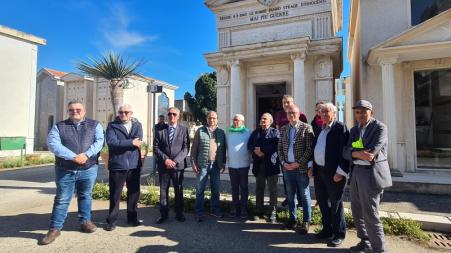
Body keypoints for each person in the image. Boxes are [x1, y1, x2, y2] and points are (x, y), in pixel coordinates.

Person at [41, 100, 104, 245]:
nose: (75, 112)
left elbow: (99, 141)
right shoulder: (59, 126)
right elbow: (53, 144)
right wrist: (74, 156)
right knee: (62, 199)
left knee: (85, 195)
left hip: (88, 168)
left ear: (84, 111)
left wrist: (86, 155)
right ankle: (55, 229)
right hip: (65, 169)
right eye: (71, 110)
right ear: (68, 111)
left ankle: (85, 222)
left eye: (78, 109)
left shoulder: (95, 125)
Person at [343, 100, 392, 253]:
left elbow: (371, 152)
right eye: (357, 112)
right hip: (357, 172)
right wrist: (356, 153)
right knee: (357, 210)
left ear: (371, 112)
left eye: (364, 111)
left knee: (370, 213)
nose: (360, 115)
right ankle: (366, 242)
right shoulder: (354, 130)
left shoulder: (380, 127)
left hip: (372, 174)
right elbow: (345, 151)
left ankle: (380, 249)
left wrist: (354, 152)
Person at [308, 102, 349, 247]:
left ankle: (339, 233)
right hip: (319, 172)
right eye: (322, 112)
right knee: (323, 203)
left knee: (336, 204)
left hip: (334, 173)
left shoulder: (340, 128)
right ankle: (327, 229)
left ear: (334, 113)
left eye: (327, 112)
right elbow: (315, 148)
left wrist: (341, 171)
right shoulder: (320, 128)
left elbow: (346, 151)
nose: (324, 115)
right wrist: (311, 165)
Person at [105, 104, 144, 231]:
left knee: (133, 193)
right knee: (115, 194)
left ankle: (132, 218)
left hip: (134, 165)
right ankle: (111, 220)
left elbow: (138, 142)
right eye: (121, 112)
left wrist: (127, 144)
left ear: (131, 113)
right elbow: (112, 143)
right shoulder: (112, 125)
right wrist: (131, 142)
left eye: (126, 112)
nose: (123, 114)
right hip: (117, 165)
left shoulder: (137, 125)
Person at [277, 104, 314, 233]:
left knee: (304, 195)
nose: (291, 115)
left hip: (301, 168)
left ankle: (306, 221)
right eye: (289, 113)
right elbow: (280, 148)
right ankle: (292, 219)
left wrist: (298, 163)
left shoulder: (307, 128)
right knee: (291, 195)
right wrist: (283, 162)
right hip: (287, 168)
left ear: (299, 114)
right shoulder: (283, 129)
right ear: (286, 115)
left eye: (294, 113)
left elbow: (310, 149)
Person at [153, 107, 190, 224]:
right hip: (164, 165)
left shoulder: (184, 130)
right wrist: (166, 160)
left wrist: (175, 161)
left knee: (178, 190)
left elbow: (186, 148)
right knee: (163, 190)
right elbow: (155, 147)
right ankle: (164, 214)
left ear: (178, 116)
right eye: (169, 114)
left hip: (178, 166)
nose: (171, 116)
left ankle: (179, 213)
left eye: (174, 114)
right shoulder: (160, 130)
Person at [191, 111, 226, 222]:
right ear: (207, 119)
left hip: (216, 165)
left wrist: (223, 162)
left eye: (214, 118)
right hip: (203, 165)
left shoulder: (221, 132)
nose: (212, 120)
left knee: (215, 190)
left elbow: (223, 149)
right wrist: (193, 163)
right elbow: (194, 149)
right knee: (200, 190)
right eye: (210, 118)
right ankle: (199, 213)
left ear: (217, 120)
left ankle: (215, 210)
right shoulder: (200, 131)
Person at [275, 95, 307, 207]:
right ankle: (289, 197)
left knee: (299, 178)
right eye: (284, 103)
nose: (286, 104)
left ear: (293, 102)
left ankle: (300, 199)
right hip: (285, 150)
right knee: (286, 177)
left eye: (288, 102)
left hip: (298, 153)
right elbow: (278, 129)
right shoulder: (279, 114)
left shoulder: (301, 115)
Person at [247, 113, 280, 223]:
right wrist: (255, 150)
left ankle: (272, 212)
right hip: (259, 165)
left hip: (271, 166)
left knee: (273, 190)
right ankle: (258, 211)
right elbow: (249, 145)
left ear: (270, 121)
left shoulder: (275, 132)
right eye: (261, 118)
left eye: (265, 119)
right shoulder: (255, 133)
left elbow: (277, 147)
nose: (262, 120)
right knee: (259, 189)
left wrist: (263, 152)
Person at [226, 114, 251, 219]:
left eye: (237, 120)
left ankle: (244, 209)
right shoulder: (228, 132)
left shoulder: (247, 132)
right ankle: (235, 208)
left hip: (244, 165)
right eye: (234, 120)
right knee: (234, 188)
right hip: (232, 165)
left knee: (244, 188)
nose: (235, 122)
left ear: (242, 122)